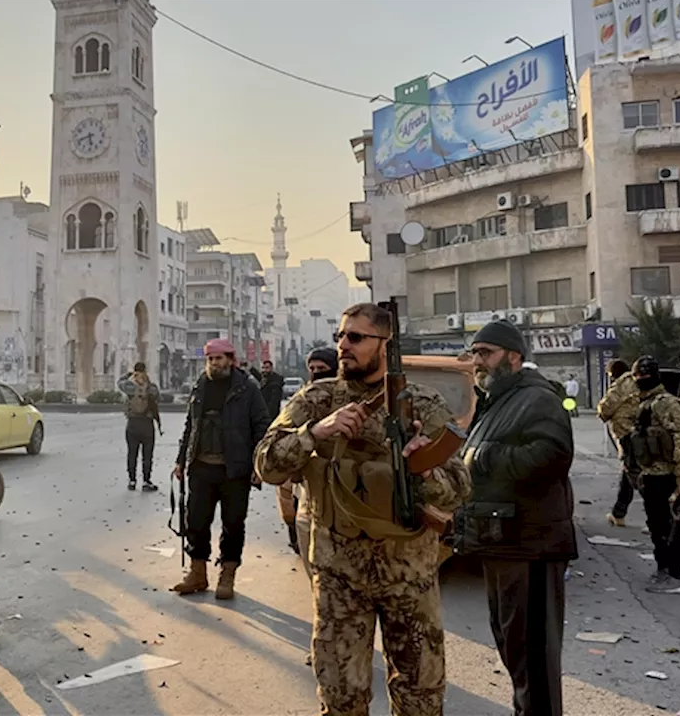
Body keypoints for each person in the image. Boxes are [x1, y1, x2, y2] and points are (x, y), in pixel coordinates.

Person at [255, 303, 471, 716]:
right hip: (339, 579)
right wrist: (316, 432)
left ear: (385, 346)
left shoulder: (423, 404)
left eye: (355, 337)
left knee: (420, 700)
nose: (342, 345)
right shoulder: (317, 400)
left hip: (409, 579)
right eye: (341, 336)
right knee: (341, 700)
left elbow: (459, 488)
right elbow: (265, 464)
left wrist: (422, 469)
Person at [455, 320, 575, 716]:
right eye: (474, 353)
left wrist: (488, 457)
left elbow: (553, 455)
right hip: (503, 542)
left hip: (531, 547)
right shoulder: (498, 399)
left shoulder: (537, 397)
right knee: (515, 649)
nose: (477, 361)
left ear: (514, 356)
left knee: (534, 659)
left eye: (485, 353)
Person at [171, 338, 270, 600]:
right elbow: (190, 426)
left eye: (219, 358)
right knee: (196, 521)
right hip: (201, 467)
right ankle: (197, 573)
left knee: (233, 524)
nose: (215, 363)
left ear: (230, 359)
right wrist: (181, 460)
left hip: (234, 470)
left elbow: (262, 426)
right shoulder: (200, 385)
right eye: (211, 359)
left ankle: (227, 575)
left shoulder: (247, 388)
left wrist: (258, 464)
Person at [625, 356, 680, 595]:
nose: (642, 380)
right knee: (657, 525)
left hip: (666, 475)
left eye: (645, 376)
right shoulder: (645, 403)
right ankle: (664, 569)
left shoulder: (666, 403)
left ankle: (674, 575)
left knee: (670, 526)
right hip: (651, 475)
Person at [276, 348, 340, 559]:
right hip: (304, 479)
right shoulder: (303, 400)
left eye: (322, 368)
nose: (316, 372)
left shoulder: (344, 399)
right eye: (312, 368)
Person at [597, 359, 639, 527]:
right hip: (646, 435)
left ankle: (661, 517)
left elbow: (605, 408)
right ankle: (618, 513)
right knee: (629, 473)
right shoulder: (639, 381)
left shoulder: (621, 385)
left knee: (633, 474)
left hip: (628, 434)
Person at [118, 361, 162, 491]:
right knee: (147, 454)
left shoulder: (129, 386)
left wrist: (129, 374)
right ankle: (146, 481)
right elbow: (158, 398)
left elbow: (119, 382)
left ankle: (132, 481)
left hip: (132, 424)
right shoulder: (151, 387)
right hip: (147, 424)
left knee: (132, 453)